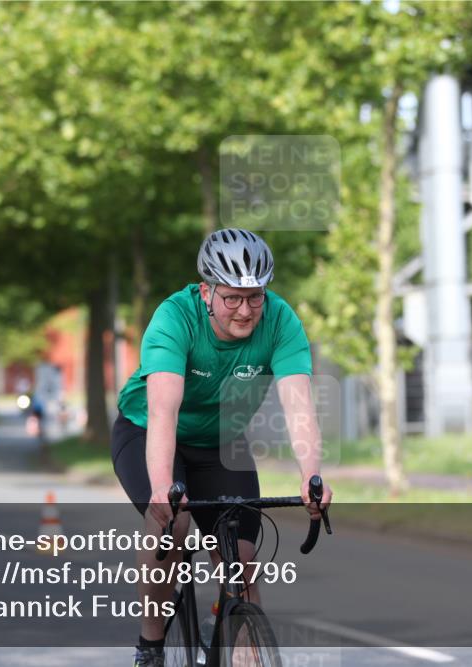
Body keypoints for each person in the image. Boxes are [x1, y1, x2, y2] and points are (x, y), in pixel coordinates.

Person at [111, 228, 333, 666]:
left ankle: (239, 639)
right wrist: (161, 488)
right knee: (172, 526)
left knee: (242, 560)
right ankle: (151, 645)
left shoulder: (281, 320)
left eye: (255, 297)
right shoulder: (175, 318)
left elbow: (299, 407)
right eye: (232, 297)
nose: (245, 310)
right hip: (149, 432)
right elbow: (162, 412)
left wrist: (311, 477)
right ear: (206, 290)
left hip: (220, 442)